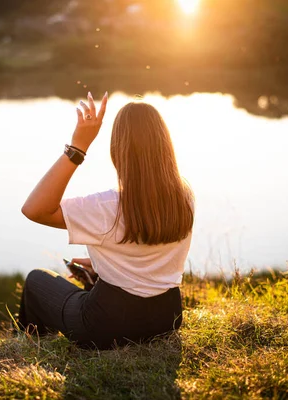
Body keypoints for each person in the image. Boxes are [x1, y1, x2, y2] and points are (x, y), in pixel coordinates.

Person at [18, 91, 194, 350]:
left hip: (106, 326)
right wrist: (102, 263)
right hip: (167, 319)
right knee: (90, 286)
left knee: (36, 280)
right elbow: (150, 245)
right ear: (164, 143)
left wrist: (77, 148)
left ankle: (31, 348)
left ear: (117, 148)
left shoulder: (105, 205)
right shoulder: (184, 195)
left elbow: (35, 209)